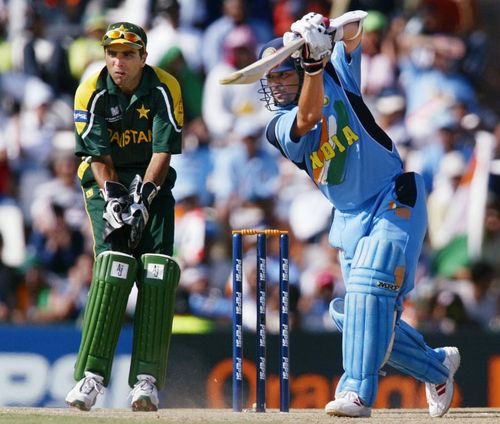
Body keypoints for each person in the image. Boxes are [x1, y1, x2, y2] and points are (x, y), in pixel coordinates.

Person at [257, 10, 460, 418]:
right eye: (271, 78)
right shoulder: (278, 127)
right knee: (356, 317)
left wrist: (326, 31)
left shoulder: (337, 77)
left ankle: (355, 393)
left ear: (301, 66)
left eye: (284, 74)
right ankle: (437, 366)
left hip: (393, 197)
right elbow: (309, 117)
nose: (277, 85)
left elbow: (357, 28)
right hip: (348, 219)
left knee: (369, 289)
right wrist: (312, 64)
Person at [65, 22, 183, 412]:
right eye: (112, 53)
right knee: (115, 263)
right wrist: (116, 198)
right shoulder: (91, 90)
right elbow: (97, 155)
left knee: (157, 269)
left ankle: (145, 382)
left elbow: (162, 152)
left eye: (128, 55)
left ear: (143, 58)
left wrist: (145, 197)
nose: (118, 62)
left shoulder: (164, 86)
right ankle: (91, 378)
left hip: (152, 180)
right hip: (106, 180)